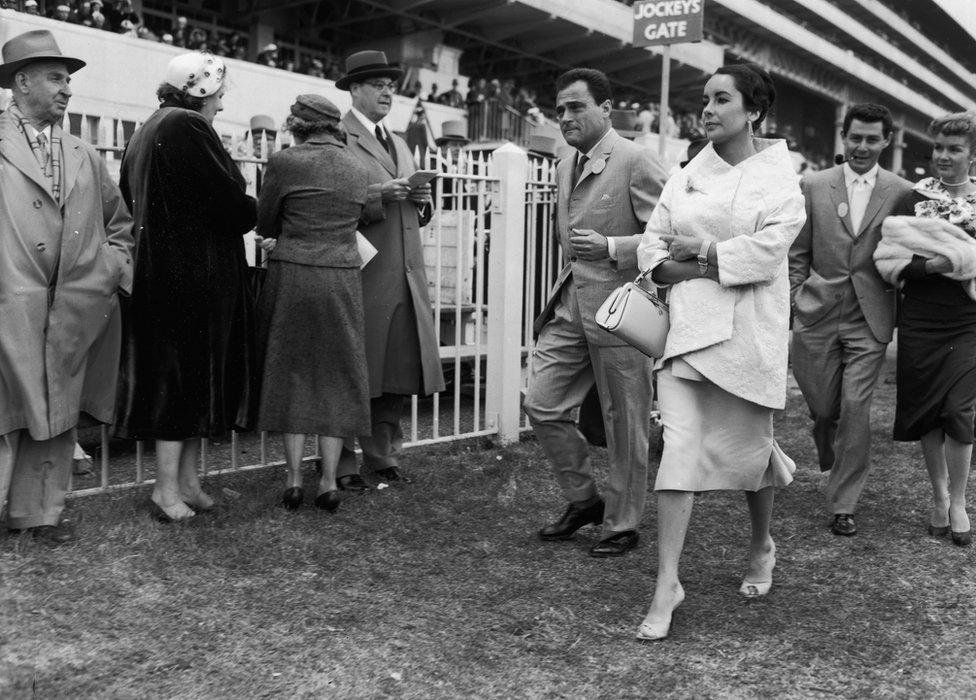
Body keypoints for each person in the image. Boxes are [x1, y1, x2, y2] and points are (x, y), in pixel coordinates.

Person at [634, 63, 805, 640]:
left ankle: (761, 545)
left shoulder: (781, 178)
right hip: (685, 334)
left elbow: (765, 255)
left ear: (753, 111)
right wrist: (685, 262)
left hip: (750, 335)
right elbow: (652, 246)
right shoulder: (687, 174)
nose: (706, 109)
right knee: (679, 451)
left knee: (750, 452)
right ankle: (667, 584)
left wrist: (701, 254)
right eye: (704, 99)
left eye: (721, 99)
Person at [524, 68, 667, 559]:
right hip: (570, 304)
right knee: (541, 402)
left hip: (621, 310)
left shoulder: (637, 160)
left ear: (606, 109)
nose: (565, 117)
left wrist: (612, 246)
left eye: (576, 107)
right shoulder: (565, 164)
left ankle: (622, 522)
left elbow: (667, 238)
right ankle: (584, 500)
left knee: (625, 420)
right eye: (560, 108)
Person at [0, 29, 134, 545]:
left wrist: (109, 272)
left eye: (69, 80)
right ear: (22, 81)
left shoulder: (84, 153)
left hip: (73, 308)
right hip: (11, 303)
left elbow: (119, 223)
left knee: (57, 412)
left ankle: (40, 515)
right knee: (7, 408)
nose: (67, 89)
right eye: (56, 78)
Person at [115, 52, 258, 522]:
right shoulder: (188, 127)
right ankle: (165, 491)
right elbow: (230, 204)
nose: (220, 104)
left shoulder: (147, 130)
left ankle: (188, 484)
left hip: (163, 273)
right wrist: (252, 207)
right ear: (200, 92)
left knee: (189, 380)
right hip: (190, 276)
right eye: (218, 94)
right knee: (182, 384)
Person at [789, 103, 912, 537]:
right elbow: (797, 253)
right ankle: (830, 440)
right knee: (825, 409)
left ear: (886, 141)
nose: (862, 146)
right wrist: (793, 299)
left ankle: (844, 504)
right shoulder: (813, 184)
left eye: (871, 138)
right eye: (855, 137)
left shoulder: (902, 191)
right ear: (844, 138)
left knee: (856, 409)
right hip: (816, 313)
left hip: (870, 317)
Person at [254, 94, 370, 513]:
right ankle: (327, 482)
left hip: (293, 275)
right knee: (337, 375)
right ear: (334, 126)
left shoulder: (286, 162)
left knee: (292, 372)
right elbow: (364, 215)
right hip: (340, 277)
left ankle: (292, 479)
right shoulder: (359, 168)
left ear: (298, 125)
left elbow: (265, 222)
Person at [335, 50, 445, 489]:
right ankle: (342, 462)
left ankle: (383, 456)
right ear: (354, 89)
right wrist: (382, 192)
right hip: (361, 273)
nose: (386, 91)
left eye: (390, 85)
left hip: (403, 275)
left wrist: (422, 202)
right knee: (354, 369)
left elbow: (413, 210)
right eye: (377, 84)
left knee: (394, 370)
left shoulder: (398, 141)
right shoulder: (338, 138)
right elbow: (332, 203)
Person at [874, 112, 976, 547]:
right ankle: (938, 497)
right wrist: (934, 263)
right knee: (929, 413)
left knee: (959, 411)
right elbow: (887, 257)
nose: (943, 156)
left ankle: (959, 502)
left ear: (972, 155)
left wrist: (960, 262)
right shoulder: (911, 201)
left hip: (968, 321)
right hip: (920, 319)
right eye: (938, 148)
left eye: (954, 149)